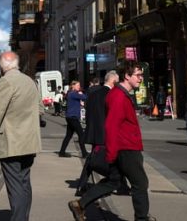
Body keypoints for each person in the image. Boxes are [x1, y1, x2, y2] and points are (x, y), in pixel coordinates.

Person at [69, 63, 154, 221]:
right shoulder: (118, 96)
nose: (141, 79)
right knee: (140, 184)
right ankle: (142, 218)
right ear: (127, 76)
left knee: (113, 181)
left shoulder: (120, 94)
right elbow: (111, 126)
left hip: (123, 146)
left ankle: (80, 204)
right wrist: (111, 153)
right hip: (126, 148)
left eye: (142, 75)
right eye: (138, 75)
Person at [0, 52, 42, 221]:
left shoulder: (5, 82)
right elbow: (40, 110)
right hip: (29, 142)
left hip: (11, 143)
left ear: (1, 66)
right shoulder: (30, 81)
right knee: (24, 184)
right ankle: (24, 217)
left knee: (15, 188)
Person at [76, 71, 118, 196]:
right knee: (111, 159)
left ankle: (82, 185)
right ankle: (113, 184)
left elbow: (87, 112)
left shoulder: (93, 93)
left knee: (92, 158)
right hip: (105, 132)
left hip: (94, 131)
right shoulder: (111, 94)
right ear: (113, 81)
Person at [58, 81, 88, 158]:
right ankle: (84, 153)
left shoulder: (71, 93)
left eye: (79, 85)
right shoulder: (74, 94)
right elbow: (85, 97)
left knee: (68, 135)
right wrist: (81, 94)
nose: (79, 86)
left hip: (70, 117)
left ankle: (62, 152)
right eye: (78, 85)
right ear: (73, 86)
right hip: (73, 117)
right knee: (81, 134)